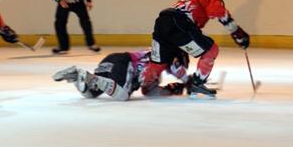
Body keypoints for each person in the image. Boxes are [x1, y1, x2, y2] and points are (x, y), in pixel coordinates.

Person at [141, 0, 250, 98]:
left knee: (158, 63)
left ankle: (145, 84)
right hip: (179, 23)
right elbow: (218, 12)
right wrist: (237, 33)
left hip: (161, 22)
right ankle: (197, 83)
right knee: (211, 50)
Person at [52, 50, 190, 101]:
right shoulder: (163, 58)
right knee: (122, 94)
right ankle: (89, 77)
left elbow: (147, 91)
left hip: (113, 59)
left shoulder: (156, 59)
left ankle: (76, 75)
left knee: (91, 94)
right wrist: (189, 82)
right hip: (124, 62)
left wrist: (171, 89)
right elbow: (175, 68)